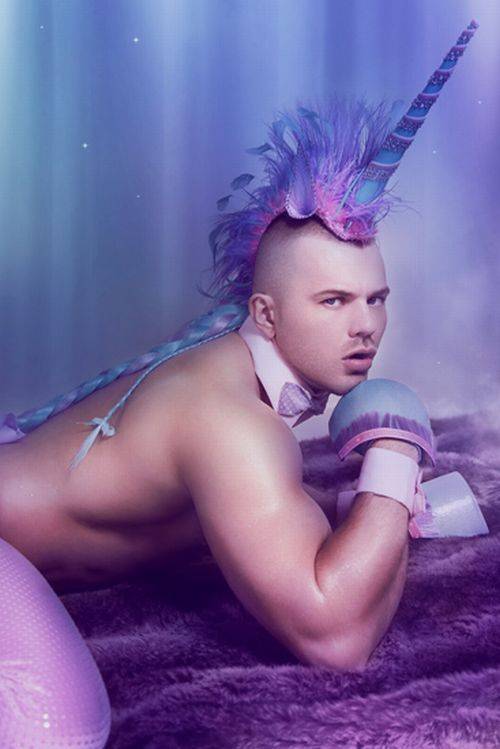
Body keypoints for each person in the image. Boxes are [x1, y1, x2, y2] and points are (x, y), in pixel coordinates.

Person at [0, 20, 481, 748]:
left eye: (374, 298)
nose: (365, 327)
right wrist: (395, 454)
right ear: (265, 314)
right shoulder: (231, 421)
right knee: (55, 730)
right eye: (333, 301)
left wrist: (373, 516)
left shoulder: (233, 384)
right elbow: (337, 639)